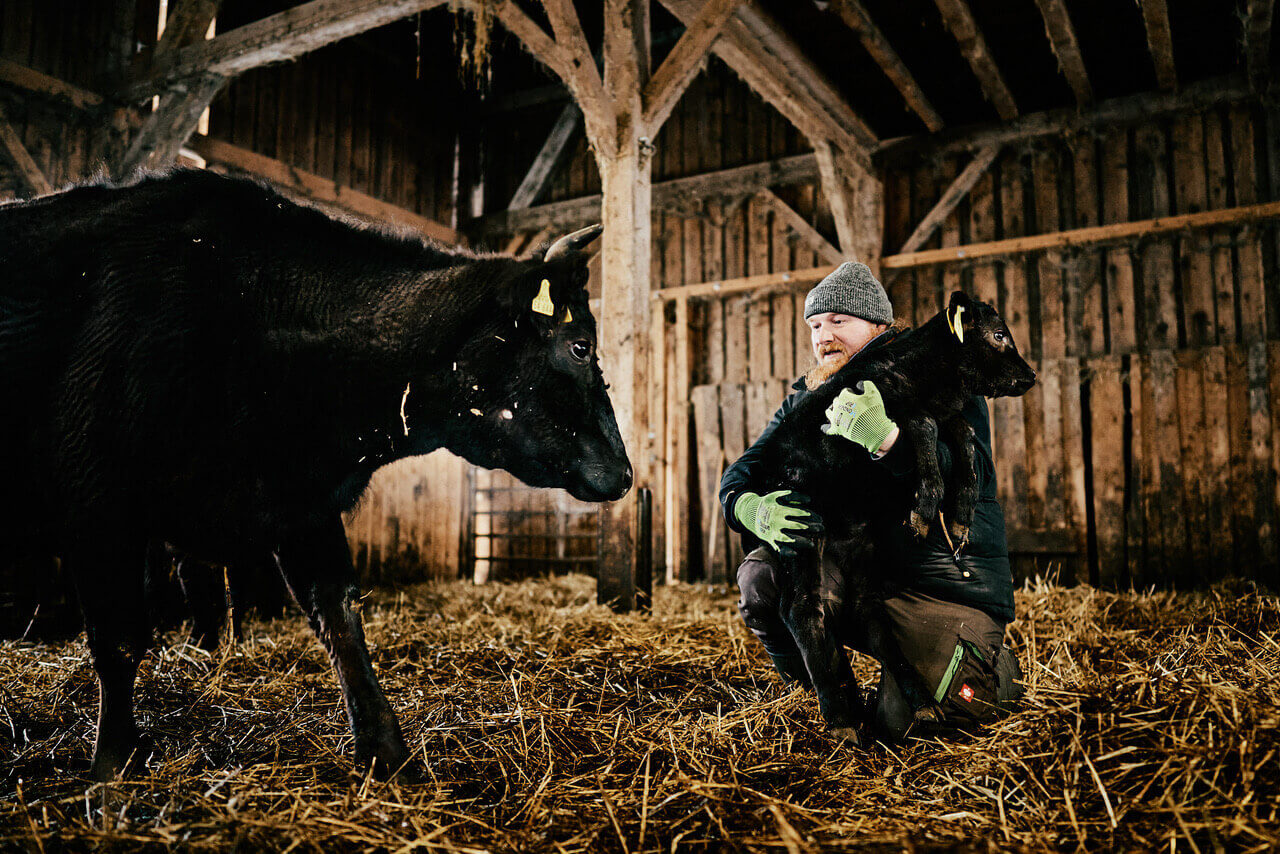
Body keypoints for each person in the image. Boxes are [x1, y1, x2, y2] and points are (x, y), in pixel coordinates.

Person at [719, 261, 1023, 740]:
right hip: (865, 582)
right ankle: (819, 690)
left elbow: (976, 473)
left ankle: (987, 664)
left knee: (910, 735)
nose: (824, 336)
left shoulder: (938, 375)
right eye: (815, 325)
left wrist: (887, 439)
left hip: (936, 589)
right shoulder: (810, 396)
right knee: (762, 575)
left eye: (840, 321)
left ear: (880, 325)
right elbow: (746, 467)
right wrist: (745, 505)